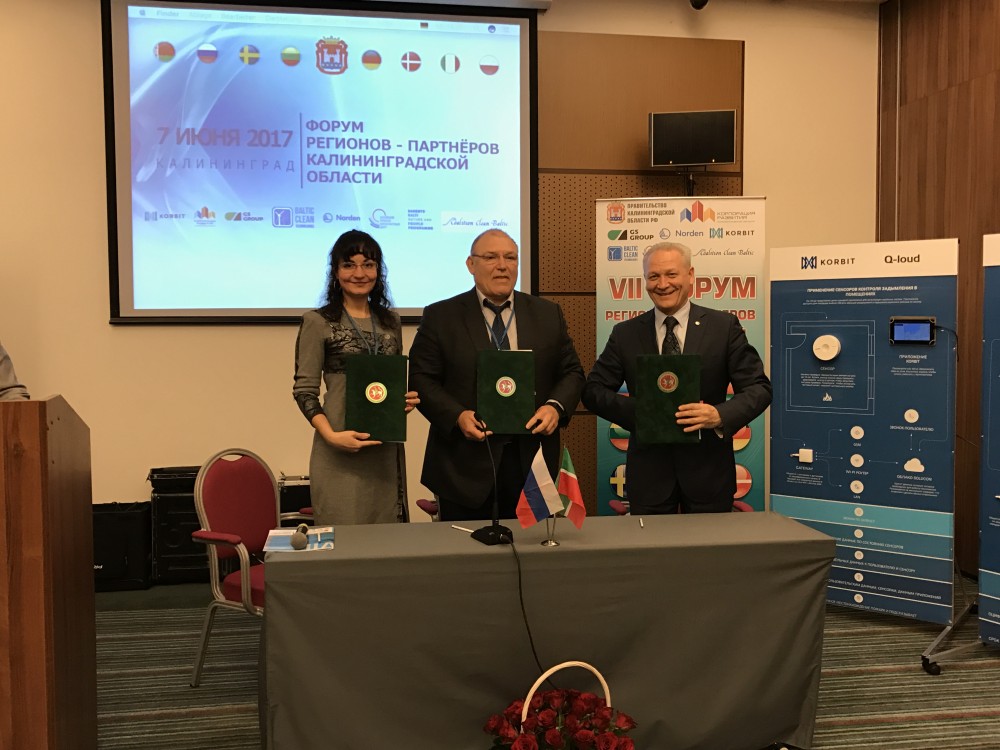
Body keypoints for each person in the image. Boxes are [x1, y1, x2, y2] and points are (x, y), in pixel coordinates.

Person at [408, 228, 585, 522]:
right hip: (464, 465)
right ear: (471, 264)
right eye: (491, 257)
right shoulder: (441, 316)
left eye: (510, 258)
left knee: (530, 546)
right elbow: (421, 379)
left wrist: (555, 407)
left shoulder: (547, 313)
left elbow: (572, 373)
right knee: (464, 548)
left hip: (531, 462)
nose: (502, 265)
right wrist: (457, 416)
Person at [582, 242, 771, 514]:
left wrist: (719, 415)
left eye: (671, 274)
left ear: (690, 275)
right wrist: (641, 413)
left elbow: (759, 388)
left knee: (710, 544)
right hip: (649, 479)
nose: (663, 284)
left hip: (709, 476)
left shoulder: (723, 327)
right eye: (654, 276)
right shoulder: (625, 334)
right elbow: (593, 391)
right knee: (652, 545)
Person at [293, 230, 418, 525]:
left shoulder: (391, 322)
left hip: (384, 453)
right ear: (335, 272)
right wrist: (331, 436)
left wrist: (402, 402)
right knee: (343, 543)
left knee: (386, 543)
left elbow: (386, 385)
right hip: (337, 451)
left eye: (368, 265)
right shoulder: (317, 321)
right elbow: (304, 390)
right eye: (349, 265)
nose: (359, 274)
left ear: (378, 271)